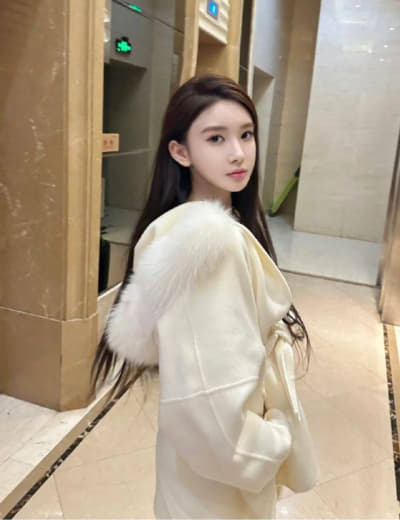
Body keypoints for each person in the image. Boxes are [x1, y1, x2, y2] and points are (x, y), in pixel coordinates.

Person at [90, 74, 319, 519]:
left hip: (194, 474)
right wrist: (276, 440)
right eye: (216, 138)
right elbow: (212, 416)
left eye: (246, 134)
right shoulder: (210, 246)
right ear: (181, 152)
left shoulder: (190, 231)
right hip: (220, 489)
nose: (238, 153)